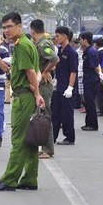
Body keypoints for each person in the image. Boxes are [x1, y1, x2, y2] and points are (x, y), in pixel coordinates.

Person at [0, 12, 45, 192]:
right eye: (4, 27)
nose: (6, 31)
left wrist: (36, 94)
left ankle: (9, 180)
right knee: (30, 140)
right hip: (26, 94)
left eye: (9, 26)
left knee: (18, 140)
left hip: (24, 96)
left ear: (19, 26)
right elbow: (25, 71)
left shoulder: (21, 46)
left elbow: (30, 72)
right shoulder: (26, 43)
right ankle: (29, 179)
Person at [29, 19, 59, 159]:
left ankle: (48, 149)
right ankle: (41, 146)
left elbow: (55, 59)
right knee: (39, 114)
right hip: (38, 84)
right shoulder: (40, 43)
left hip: (44, 85)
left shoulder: (43, 44)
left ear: (32, 30)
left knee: (45, 115)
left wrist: (46, 71)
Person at [52, 26, 78, 146]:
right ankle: (52, 136)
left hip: (67, 87)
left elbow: (73, 71)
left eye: (58, 36)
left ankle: (69, 137)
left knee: (67, 114)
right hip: (58, 85)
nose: (56, 38)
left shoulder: (71, 52)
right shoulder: (59, 50)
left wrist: (70, 87)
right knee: (55, 112)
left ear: (65, 36)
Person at [79, 32, 102, 131]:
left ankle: (93, 124)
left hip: (91, 80)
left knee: (90, 102)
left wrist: (100, 76)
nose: (79, 41)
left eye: (80, 39)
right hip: (88, 79)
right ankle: (88, 123)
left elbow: (95, 67)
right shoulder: (88, 51)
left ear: (85, 40)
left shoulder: (91, 52)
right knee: (88, 102)